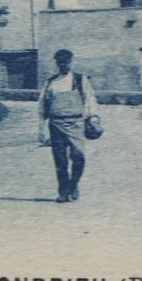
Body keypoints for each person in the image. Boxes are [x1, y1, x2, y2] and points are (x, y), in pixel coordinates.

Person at [38, 48, 97, 202]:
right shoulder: (50, 82)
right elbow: (42, 106)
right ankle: (63, 191)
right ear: (56, 63)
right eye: (60, 62)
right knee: (60, 160)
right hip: (55, 124)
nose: (63, 65)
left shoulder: (80, 80)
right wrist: (42, 128)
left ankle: (74, 185)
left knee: (79, 157)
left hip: (76, 123)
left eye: (66, 62)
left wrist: (93, 118)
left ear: (71, 62)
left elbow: (90, 100)